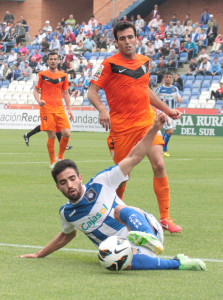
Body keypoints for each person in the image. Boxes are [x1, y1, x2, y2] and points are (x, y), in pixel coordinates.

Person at [19, 114, 206, 272]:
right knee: (109, 259)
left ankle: (147, 236)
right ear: (58, 187)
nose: (70, 185)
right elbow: (66, 235)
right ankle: (178, 263)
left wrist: (155, 127)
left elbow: (134, 156)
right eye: (63, 182)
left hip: (145, 226)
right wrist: (39, 254)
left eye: (72, 178)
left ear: (80, 177)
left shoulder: (102, 182)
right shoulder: (67, 213)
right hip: (125, 248)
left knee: (119, 210)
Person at [87, 22, 182, 234]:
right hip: (122, 128)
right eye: (122, 39)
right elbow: (92, 92)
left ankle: (165, 217)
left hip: (146, 122)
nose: (127, 42)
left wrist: (167, 109)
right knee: (122, 175)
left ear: (137, 38)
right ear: (116, 41)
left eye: (130, 37)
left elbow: (145, 90)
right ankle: (116, 214)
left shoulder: (145, 62)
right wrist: (103, 111)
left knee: (159, 165)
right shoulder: (109, 64)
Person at [34, 52, 74, 168]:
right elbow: (35, 91)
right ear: (47, 61)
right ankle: (52, 162)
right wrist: (39, 101)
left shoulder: (63, 76)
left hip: (59, 109)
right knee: (51, 135)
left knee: (66, 133)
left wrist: (69, 109)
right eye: (51, 59)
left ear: (58, 61)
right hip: (46, 109)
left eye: (55, 59)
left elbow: (66, 93)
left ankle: (60, 157)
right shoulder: (41, 75)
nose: (53, 61)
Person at [155, 72, 182, 157]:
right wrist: (160, 102)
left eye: (170, 77)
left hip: (172, 112)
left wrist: (179, 99)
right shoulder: (159, 89)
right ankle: (163, 149)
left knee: (167, 131)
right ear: (164, 78)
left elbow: (179, 98)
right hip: (163, 112)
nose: (168, 79)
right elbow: (153, 99)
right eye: (167, 77)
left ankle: (161, 149)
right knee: (170, 131)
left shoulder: (175, 89)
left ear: (172, 79)